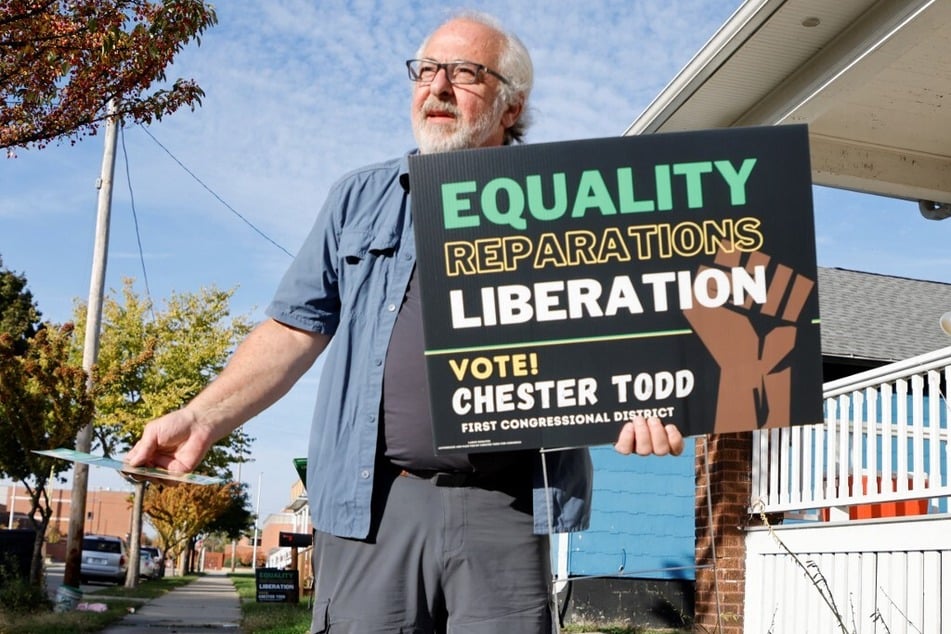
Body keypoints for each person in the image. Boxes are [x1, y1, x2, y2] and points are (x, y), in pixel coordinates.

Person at [126, 11, 684, 633]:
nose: (438, 87)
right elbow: (292, 330)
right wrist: (202, 416)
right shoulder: (357, 200)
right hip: (377, 502)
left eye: (466, 73)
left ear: (510, 105)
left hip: (507, 506)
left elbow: (623, 335)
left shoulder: (572, 205)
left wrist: (645, 400)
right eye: (426, 70)